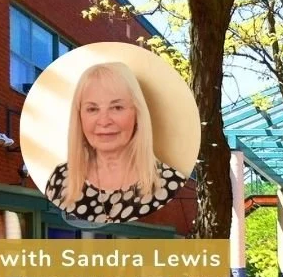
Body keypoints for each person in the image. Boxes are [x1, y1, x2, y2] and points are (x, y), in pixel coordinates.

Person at [45, 62, 187, 224]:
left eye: (117, 107)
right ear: (80, 117)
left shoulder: (171, 184)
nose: (104, 121)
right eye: (92, 109)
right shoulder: (60, 179)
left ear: (137, 114)